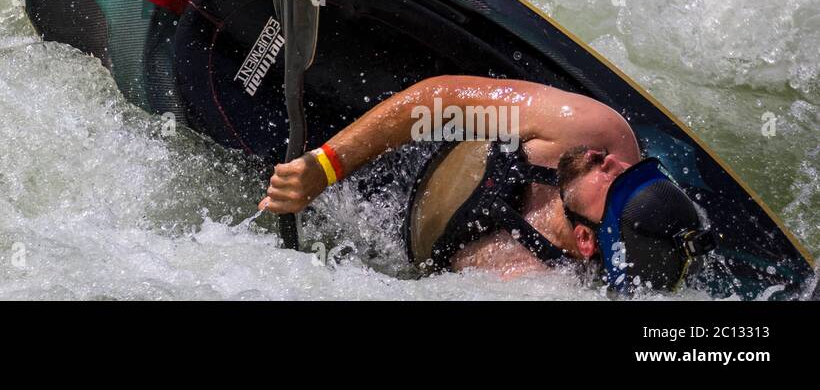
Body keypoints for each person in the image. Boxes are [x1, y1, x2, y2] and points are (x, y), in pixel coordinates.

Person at [260, 74, 716, 291]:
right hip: (403, 132)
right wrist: (327, 165)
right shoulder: (592, 132)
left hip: (373, 232)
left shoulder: (526, 285)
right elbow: (436, 100)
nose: (614, 163)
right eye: (633, 169)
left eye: (614, 182)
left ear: (585, 240)